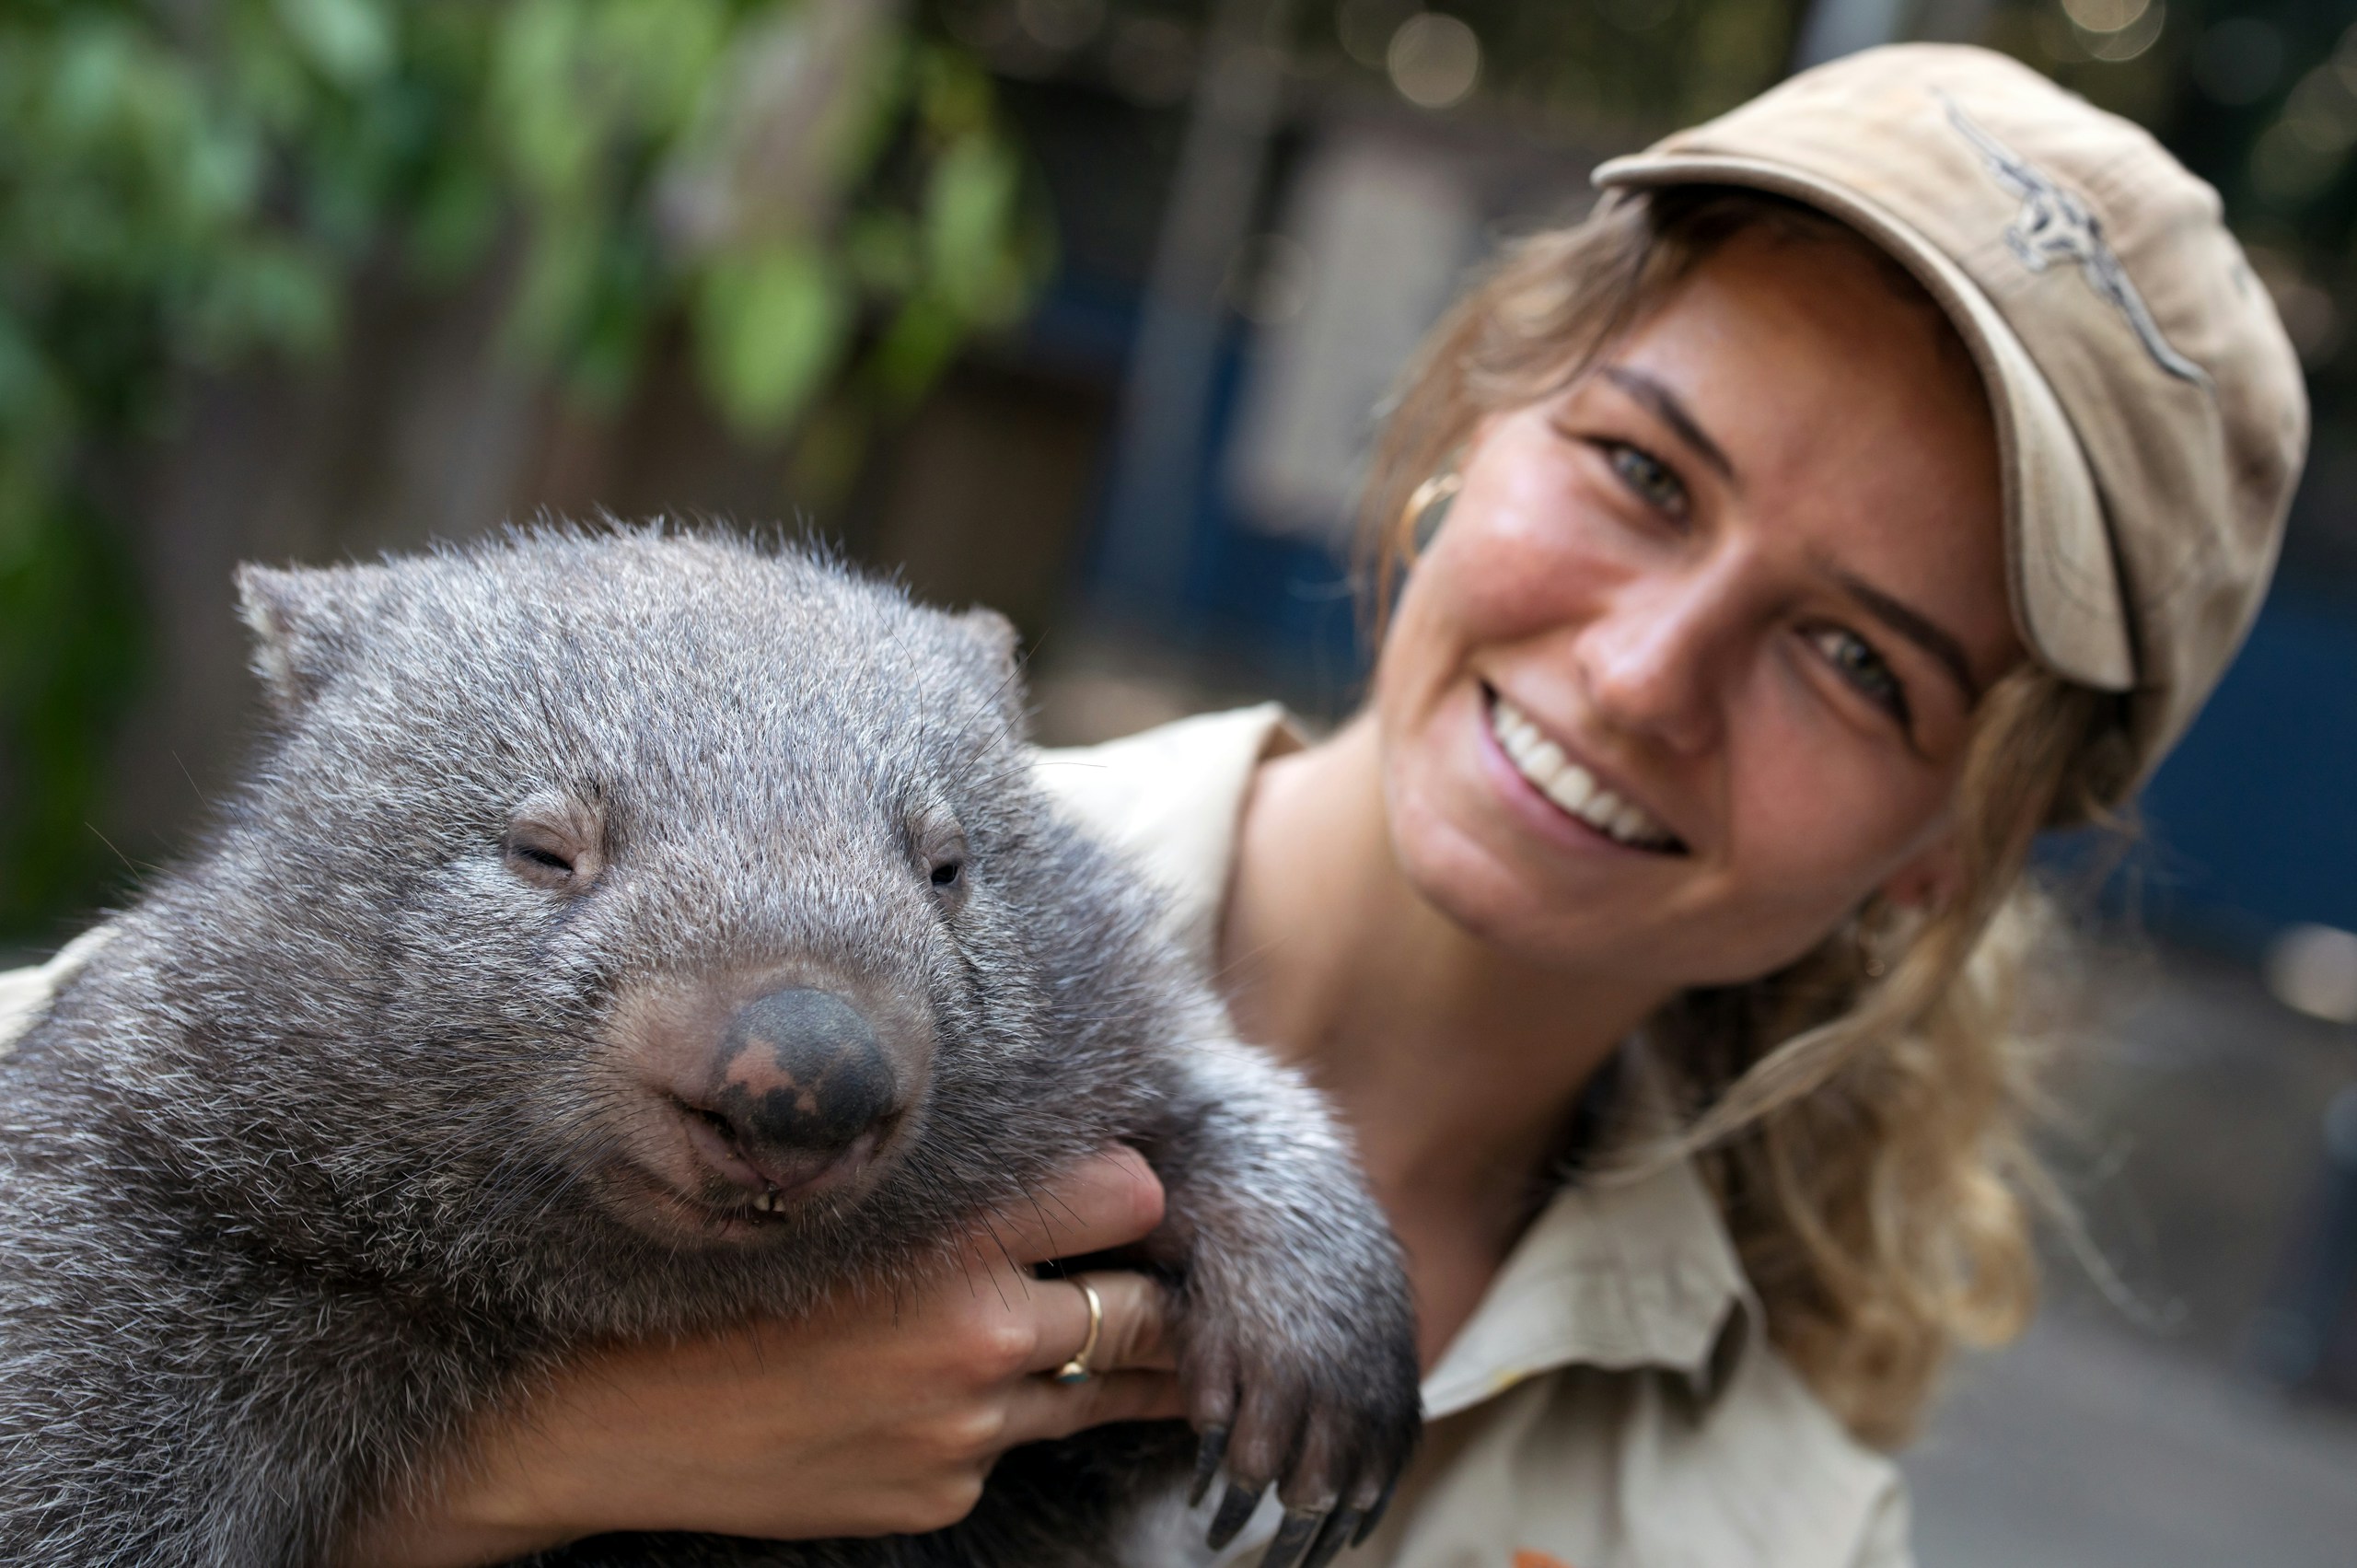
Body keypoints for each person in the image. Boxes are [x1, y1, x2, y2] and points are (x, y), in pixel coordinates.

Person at [0, 41, 2307, 1568]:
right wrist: (566, 1460)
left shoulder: (1774, 1513)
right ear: (1466, 423)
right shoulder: (358, 962)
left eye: (1857, 658)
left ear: (1948, 851)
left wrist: (1238, 1175)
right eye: (1640, 470)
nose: (1640, 671)